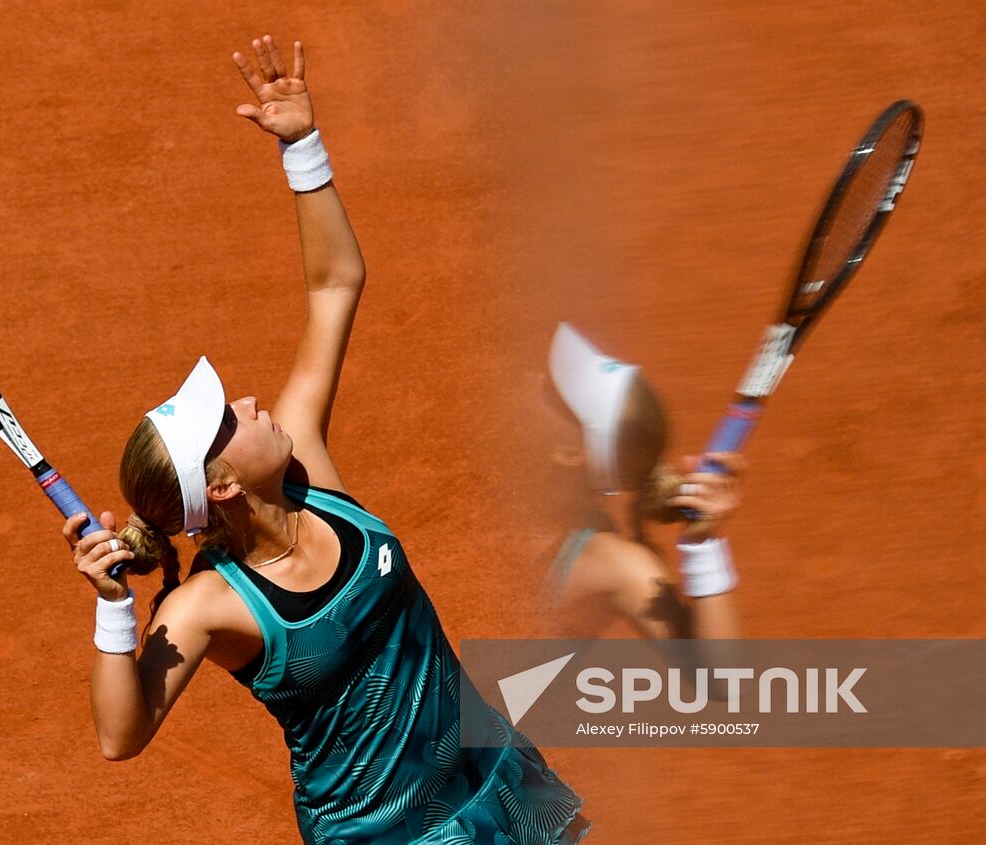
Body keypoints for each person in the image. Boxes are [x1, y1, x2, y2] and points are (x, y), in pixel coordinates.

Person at [62, 35, 590, 844]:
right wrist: (114, 614)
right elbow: (118, 736)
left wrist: (303, 147)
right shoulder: (212, 604)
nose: (248, 399)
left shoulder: (308, 460)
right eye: (227, 420)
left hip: (493, 785)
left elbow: (336, 283)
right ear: (226, 485)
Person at [544, 322, 744, 640]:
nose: (530, 380)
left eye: (550, 391)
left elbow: (721, 677)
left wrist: (702, 545)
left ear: (570, 451)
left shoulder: (610, 563)